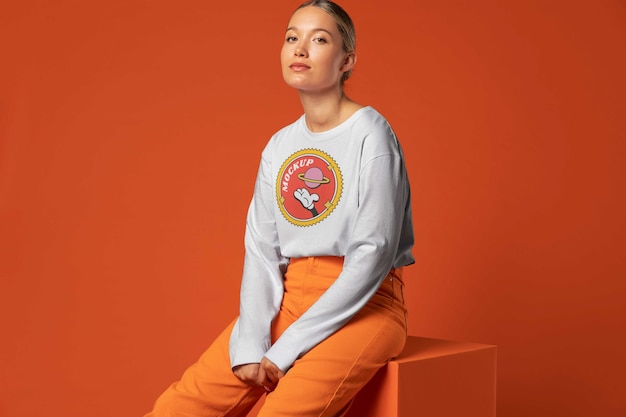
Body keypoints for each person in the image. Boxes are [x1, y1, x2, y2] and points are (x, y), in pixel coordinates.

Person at [145, 1, 414, 416]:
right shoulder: (280, 145)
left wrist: (288, 346)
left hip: (367, 305)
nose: (300, 49)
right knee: (175, 408)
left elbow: (373, 251)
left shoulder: (370, 133)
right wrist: (252, 342)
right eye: (292, 37)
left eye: (319, 39)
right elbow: (261, 249)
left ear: (347, 60)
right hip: (289, 299)